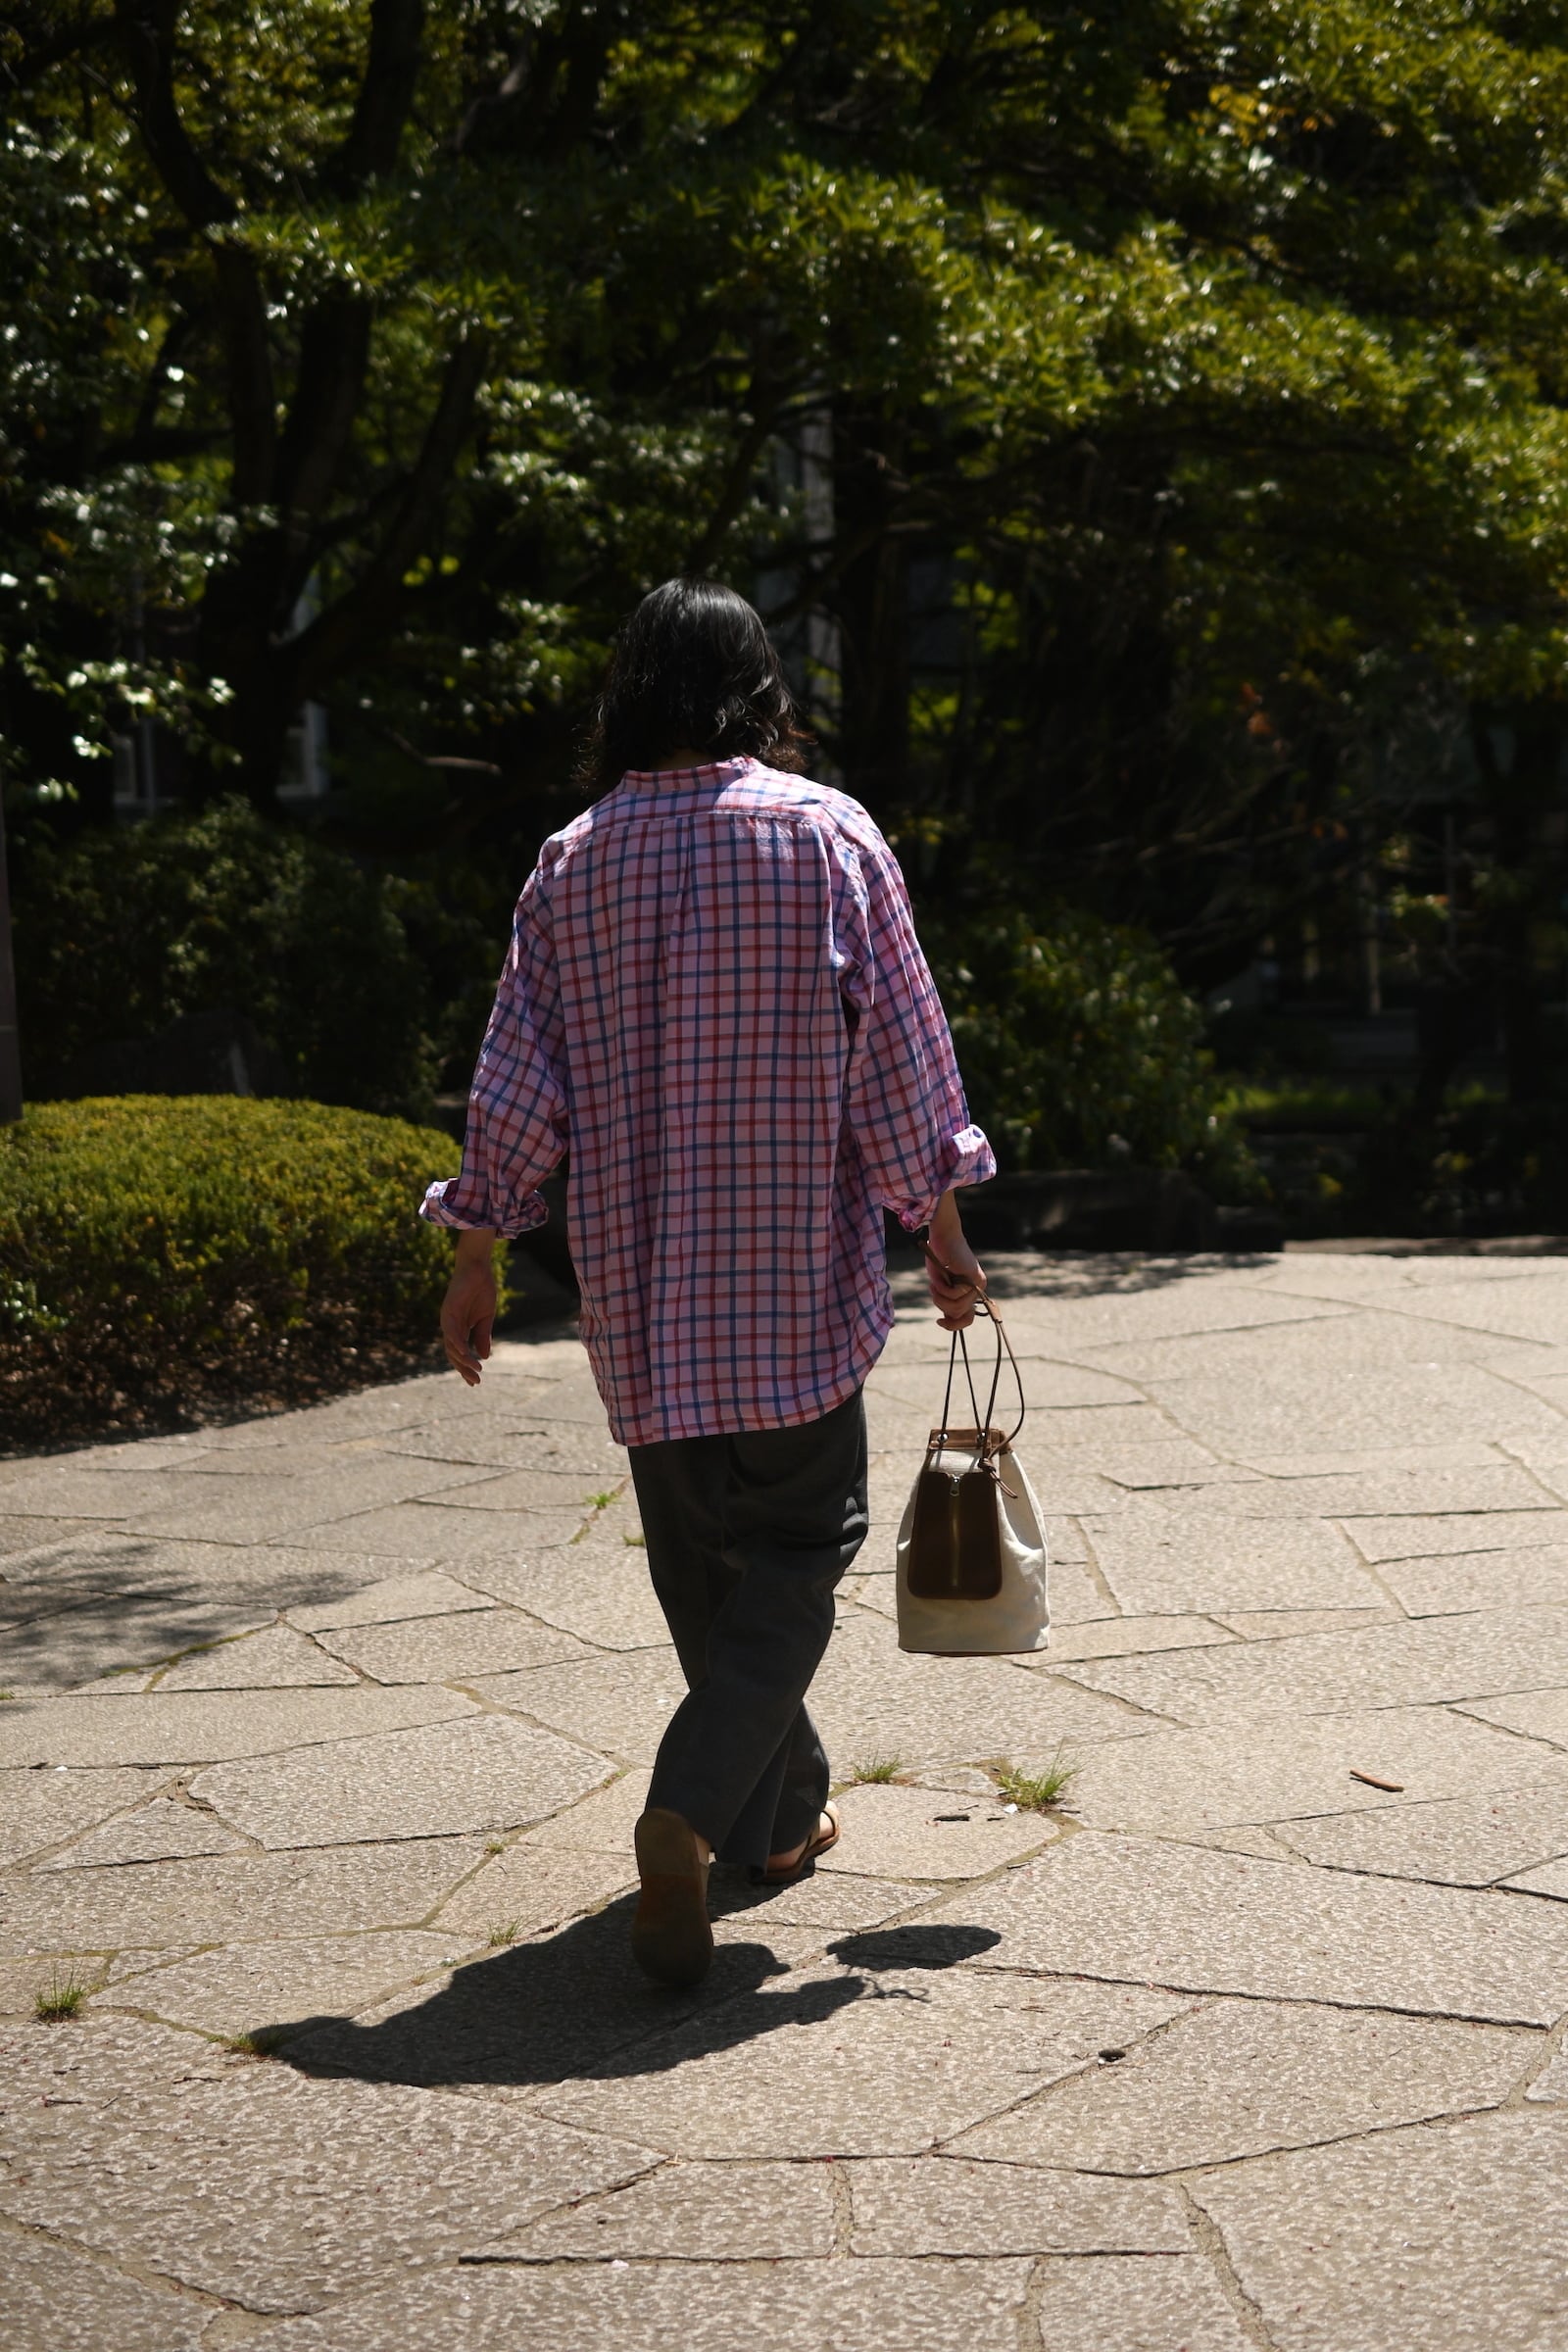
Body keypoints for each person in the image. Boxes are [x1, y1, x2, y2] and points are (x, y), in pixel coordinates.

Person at [423, 577, 994, 1987]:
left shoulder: (571, 863)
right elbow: (900, 1058)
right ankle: (684, 1814)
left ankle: (776, 1824)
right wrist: (938, 1222)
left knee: (704, 1577)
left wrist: (477, 1250)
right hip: (791, 1289)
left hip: (643, 1300)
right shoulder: (826, 835)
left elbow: (515, 1085)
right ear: (760, 694)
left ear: (629, 695)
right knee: (802, 1546)